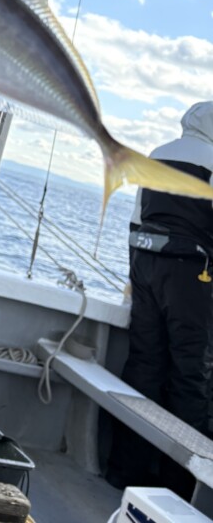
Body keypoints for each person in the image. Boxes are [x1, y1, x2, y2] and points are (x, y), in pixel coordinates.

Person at [106, 101, 213, 499]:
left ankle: (124, 470)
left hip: (145, 267)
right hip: (191, 275)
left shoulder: (159, 153)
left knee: (144, 364)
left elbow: (137, 217)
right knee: (190, 376)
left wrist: (134, 278)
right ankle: (176, 487)